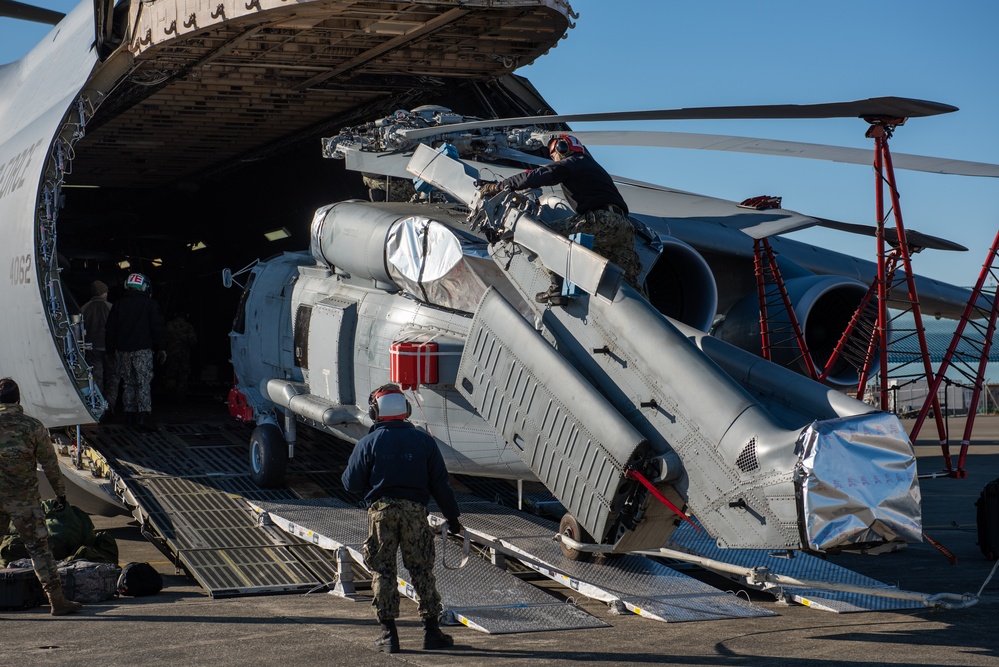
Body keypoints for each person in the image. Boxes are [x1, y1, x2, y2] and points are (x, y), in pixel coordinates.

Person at [341, 384, 462, 654]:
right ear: (405, 410)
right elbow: (441, 485)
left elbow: (350, 483)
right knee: (421, 570)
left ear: (375, 412)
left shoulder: (368, 443)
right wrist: (454, 520)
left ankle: (389, 636)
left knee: (383, 571)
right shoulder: (424, 441)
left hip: (381, 513)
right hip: (415, 512)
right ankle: (431, 633)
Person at [479, 134, 643, 302]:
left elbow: (540, 175)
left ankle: (557, 288)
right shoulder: (591, 166)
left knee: (546, 235)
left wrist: (498, 186)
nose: (553, 158)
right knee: (630, 284)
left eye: (553, 154)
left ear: (563, 148)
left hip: (602, 220)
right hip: (623, 226)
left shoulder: (573, 163)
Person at [0, 377, 83, 616]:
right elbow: (50, 465)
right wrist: (61, 494)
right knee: (39, 550)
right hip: (24, 501)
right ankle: (57, 601)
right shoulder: (33, 427)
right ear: (18, 399)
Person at [105, 273, 167, 430]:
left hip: (122, 351)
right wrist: (161, 347)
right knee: (143, 382)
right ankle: (143, 416)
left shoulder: (118, 305)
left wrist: (110, 349)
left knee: (128, 383)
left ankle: (129, 415)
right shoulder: (150, 304)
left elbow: (110, 329)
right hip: (142, 350)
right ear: (144, 286)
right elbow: (157, 328)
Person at [79, 280, 112, 397]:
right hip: (109, 349)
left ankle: (98, 402)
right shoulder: (111, 307)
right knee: (112, 378)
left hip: (91, 349)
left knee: (96, 378)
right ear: (103, 293)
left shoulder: (84, 308)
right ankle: (111, 405)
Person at [162, 313, 198, 402]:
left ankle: (170, 396)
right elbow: (193, 341)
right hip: (184, 354)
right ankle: (181, 397)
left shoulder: (169, 325)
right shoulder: (188, 326)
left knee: (171, 374)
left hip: (171, 353)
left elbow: (163, 338)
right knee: (183, 375)